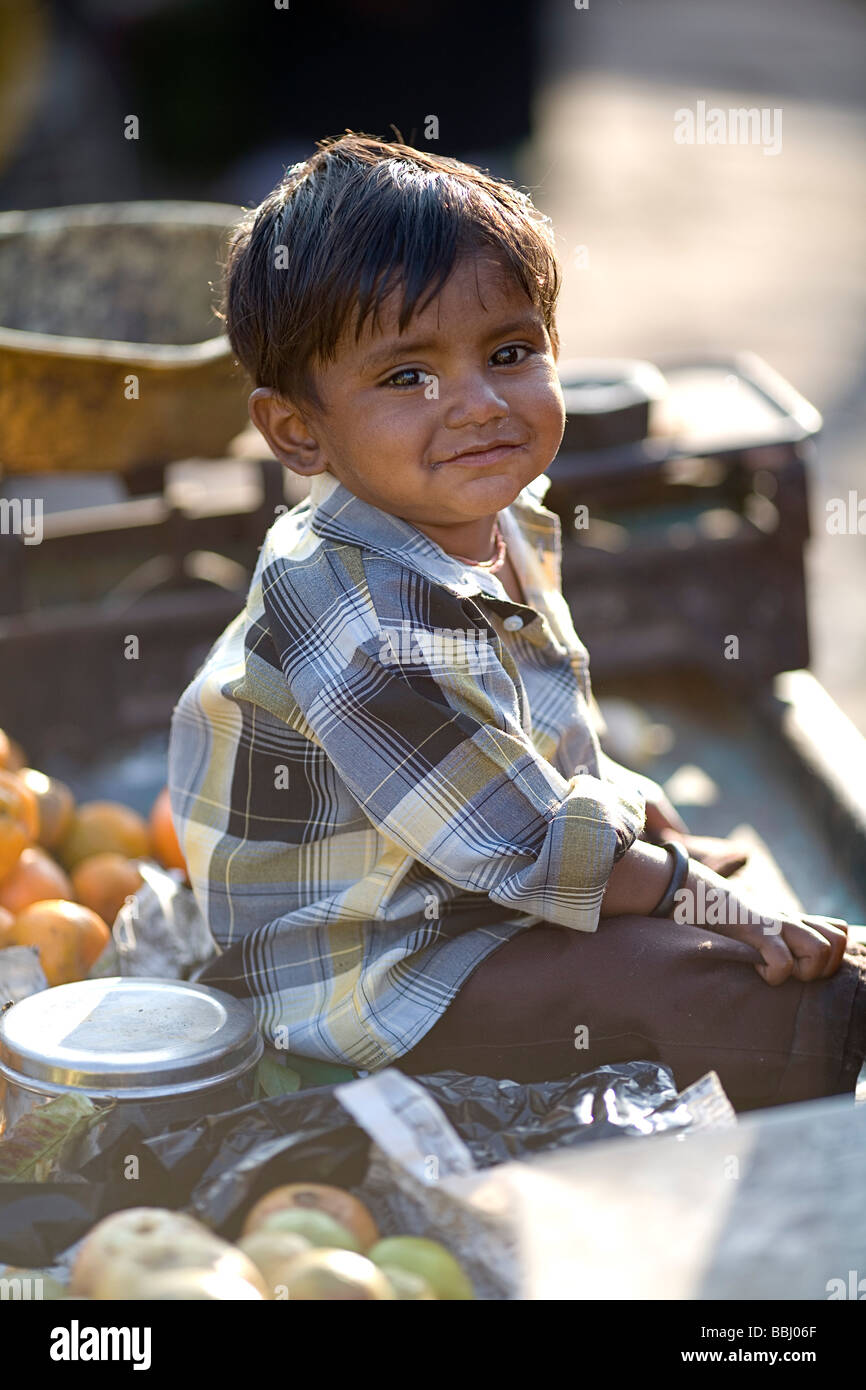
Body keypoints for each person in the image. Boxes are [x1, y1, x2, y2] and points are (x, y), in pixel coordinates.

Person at [167, 133, 866, 1113]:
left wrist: (638, 828)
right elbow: (532, 849)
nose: (479, 404)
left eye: (508, 352)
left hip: (463, 876)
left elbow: (538, 737)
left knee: (693, 902)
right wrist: (691, 896)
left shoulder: (497, 514)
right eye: (407, 376)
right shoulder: (354, 617)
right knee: (746, 995)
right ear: (297, 430)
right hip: (368, 966)